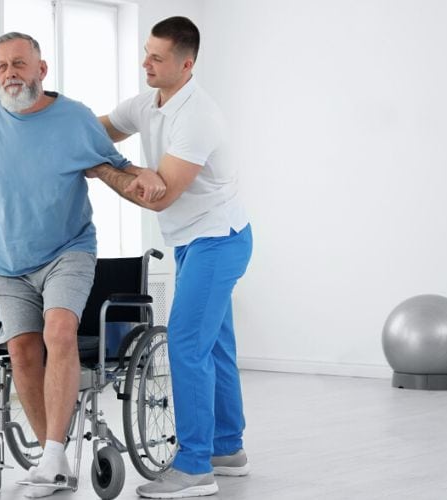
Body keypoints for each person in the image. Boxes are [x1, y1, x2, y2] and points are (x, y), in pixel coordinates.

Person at [0, 32, 163, 498]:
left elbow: (115, 168)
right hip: (8, 262)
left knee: (58, 331)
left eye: (19, 63)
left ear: (42, 69)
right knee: (20, 349)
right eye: (1, 66)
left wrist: (148, 174)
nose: (10, 73)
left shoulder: (75, 119)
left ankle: (54, 450)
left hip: (69, 249)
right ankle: (51, 458)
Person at [87, 16, 253, 498]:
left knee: (185, 343)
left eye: (157, 58)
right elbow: (100, 131)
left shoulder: (198, 116)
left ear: (186, 63)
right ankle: (227, 448)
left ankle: (196, 466)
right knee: (214, 346)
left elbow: (160, 196)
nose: (146, 63)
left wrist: (103, 170)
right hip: (193, 240)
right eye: (146, 52)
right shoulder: (147, 104)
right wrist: (59, 128)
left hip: (218, 240)